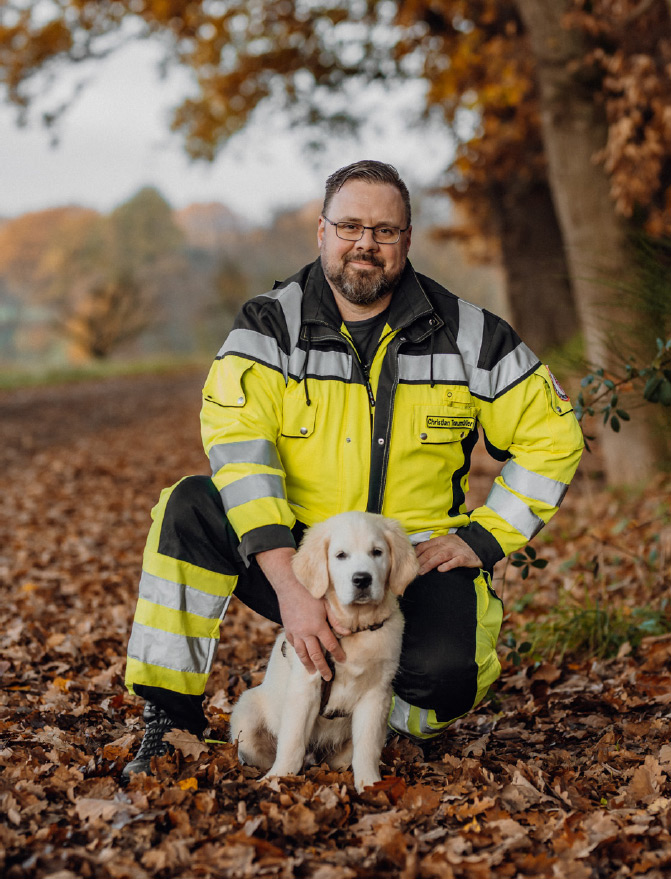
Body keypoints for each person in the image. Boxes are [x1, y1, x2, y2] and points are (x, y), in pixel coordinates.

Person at [122, 160, 583, 778]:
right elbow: (238, 448)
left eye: (385, 231)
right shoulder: (268, 327)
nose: (366, 243)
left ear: (407, 240)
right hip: (297, 549)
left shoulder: (468, 334)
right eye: (350, 226)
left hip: (411, 558)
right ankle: (170, 721)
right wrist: (293, 586)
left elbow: (554, 435)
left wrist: (484, 536)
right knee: (189, 507)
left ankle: (366, 718)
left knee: (449, 680)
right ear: (321, 232)